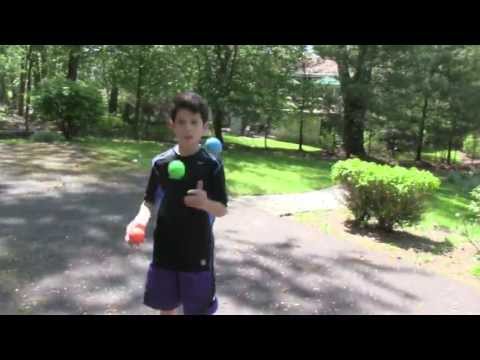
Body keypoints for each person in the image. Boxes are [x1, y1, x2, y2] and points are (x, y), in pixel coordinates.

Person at [124, 92, 228, 315]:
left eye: (194, 122)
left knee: (198, 310)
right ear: (172, 125)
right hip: (165, 250)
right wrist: (139, 221)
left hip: (197, 252)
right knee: (166, 308)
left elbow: (222, 210)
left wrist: (205, 203)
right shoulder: (161, 163)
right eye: (181, 122)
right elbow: (149, 202)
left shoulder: (212, 166)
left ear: (204, 127)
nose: (187, 128)